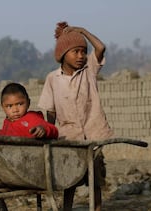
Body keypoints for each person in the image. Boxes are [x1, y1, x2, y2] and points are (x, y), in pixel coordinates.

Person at [38, 21, 113, 211]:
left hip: (93, 135)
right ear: (63, 55)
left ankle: (96, 209)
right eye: (76, 51)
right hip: (68, 137)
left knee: (95, 179)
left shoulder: (89, 71)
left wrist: (82, 31)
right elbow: (51, 111)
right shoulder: (52, 79)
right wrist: (49, 134)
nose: (81, 56)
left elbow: (101, 47)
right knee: (69, 179)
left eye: (83, 51)